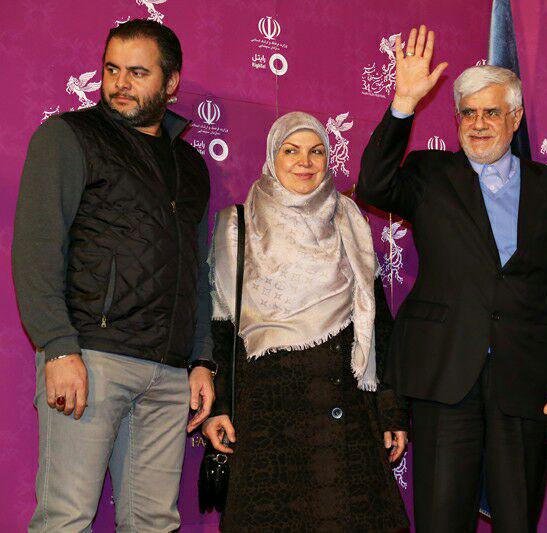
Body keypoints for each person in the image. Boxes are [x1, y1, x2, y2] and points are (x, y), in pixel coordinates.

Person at [356, 26, 547, 532]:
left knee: (517, 516)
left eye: (491, 112)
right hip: (445, 374)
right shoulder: (428, 173)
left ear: (516, 118)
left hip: (525, 379)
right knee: (441, 518)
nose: (479, 124)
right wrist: (403, 104)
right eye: (468, 113)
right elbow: (372, 185)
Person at [12, 19, 216, 531]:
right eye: (111, 69)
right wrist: (58, 347)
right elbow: (37, 247)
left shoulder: (190, 164)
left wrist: (201, 359)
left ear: (171, 82)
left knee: (154, 523)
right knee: (66, 518)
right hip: (91, 359)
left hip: (168, 372)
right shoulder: (69, 136)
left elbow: (195, 267)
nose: (120, 83)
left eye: (138, 72)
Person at [201, 111, 409, 532]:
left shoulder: (348, 220)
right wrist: (219, 407)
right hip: (268, 413)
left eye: (316, 152)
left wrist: (391, 411)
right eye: (291, 151)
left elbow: (378, 324)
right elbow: (222, 327)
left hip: (345, 409)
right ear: (271, 157)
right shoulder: (237, 226)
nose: (305, 162)